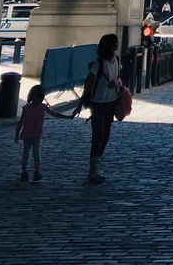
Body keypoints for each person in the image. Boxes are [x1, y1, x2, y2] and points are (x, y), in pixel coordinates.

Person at [81, 33, 122, 184]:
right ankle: (94, 167)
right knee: (98, 134)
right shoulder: (99, 64)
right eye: (116, 43)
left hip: (111, 102)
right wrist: (83, 100)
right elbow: (89, 82)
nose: (118, 44)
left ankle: (96, 162)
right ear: (110, 46)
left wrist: (117, 84)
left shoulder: (117, 60)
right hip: (98, 102)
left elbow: (118, 77)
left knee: (105, 136)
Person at [15, 83, 77, 182]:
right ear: (32, 97)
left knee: (36, 154)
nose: (40, 100)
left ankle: (36, 171)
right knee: (26, 155)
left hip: (36, 135)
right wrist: (17, 133)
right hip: (27, 135)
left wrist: (67, 117)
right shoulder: (27, 109)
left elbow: (54, 114)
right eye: (38, 97)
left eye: (41, 97)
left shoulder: (42, 107)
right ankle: (24, 172)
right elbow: (21, 122)